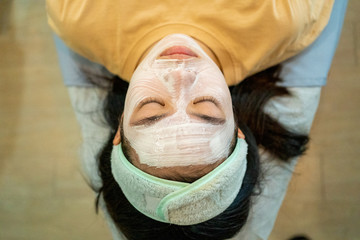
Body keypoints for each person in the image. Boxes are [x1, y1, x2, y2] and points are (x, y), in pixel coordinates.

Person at [47, 0, 347, 239]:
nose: (180, 73)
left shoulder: (78, 17)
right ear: (238, 127)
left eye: (152, 108)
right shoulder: (283, 17)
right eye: (205, 107)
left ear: (119, 128)